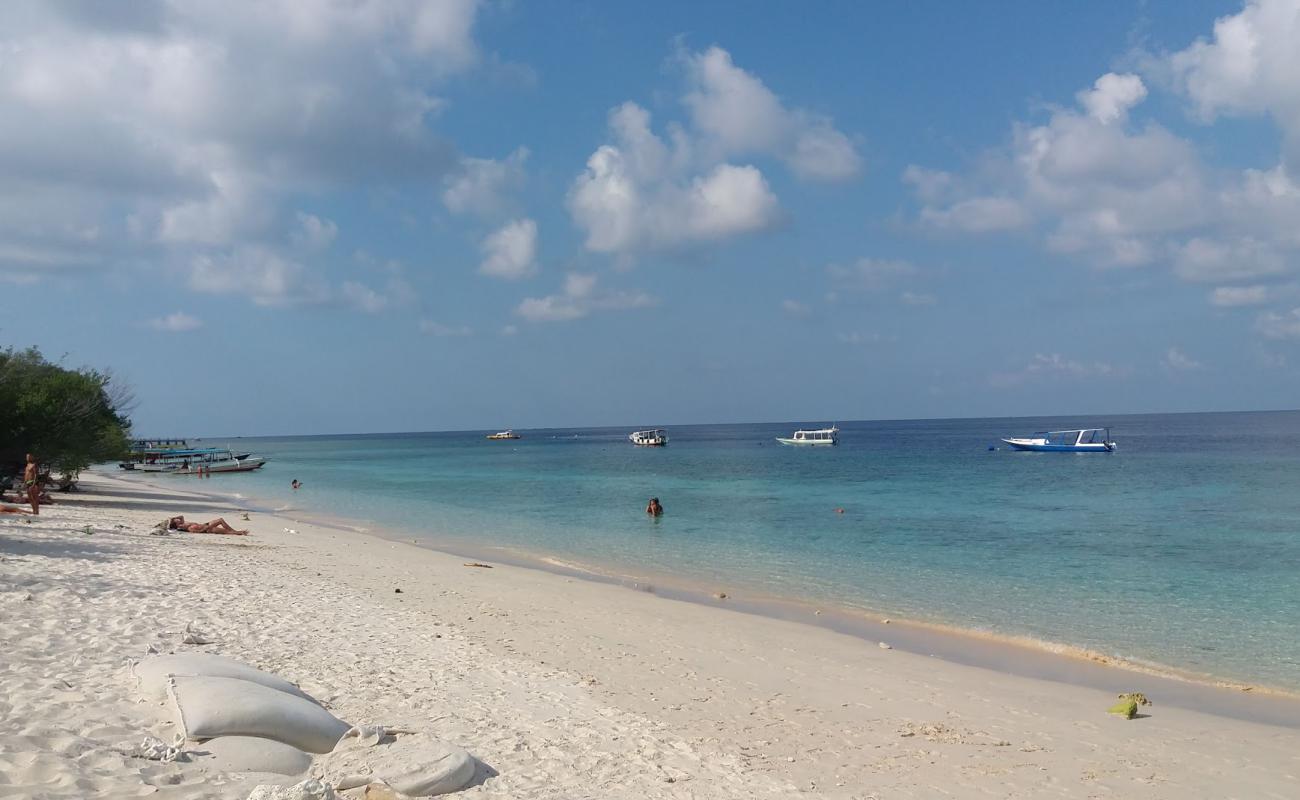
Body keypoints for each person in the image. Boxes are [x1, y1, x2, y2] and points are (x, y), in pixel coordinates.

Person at [165, 515, 249, 535]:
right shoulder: (188, 528)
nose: (178, 519)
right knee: (226, 532)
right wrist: (206, 527)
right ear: (176, 524)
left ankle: (235, 531)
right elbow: (198, 532)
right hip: (207, 529)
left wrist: (173, 518)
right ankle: (239, 532)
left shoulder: (183, 523)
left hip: (205, 525)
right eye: (176, 520)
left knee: (220, 520)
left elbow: (181, 516)